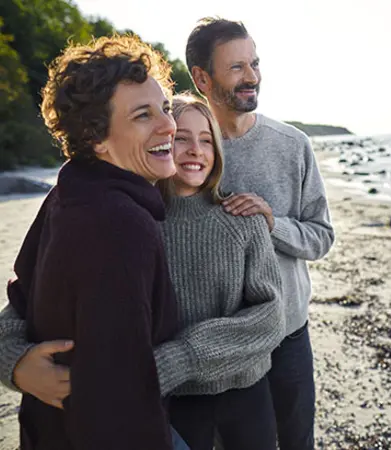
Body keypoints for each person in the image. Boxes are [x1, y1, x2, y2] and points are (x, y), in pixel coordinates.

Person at [2, 35, 181, 449]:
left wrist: (14, 362)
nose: (169, 125)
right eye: (142, 115)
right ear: (97, 137)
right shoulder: (121, 225)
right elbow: (119, 400)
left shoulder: (70, 188)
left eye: (166, 108)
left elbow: (21, 295)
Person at [185, 17, 335, 449]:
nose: (252, 77)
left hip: (288, 336)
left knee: (295, 442)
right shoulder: (185, 152)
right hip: (219, 343)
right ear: (202, 78)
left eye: (254, 63)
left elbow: (321, 236)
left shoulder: (293, 145)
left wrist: (273, 224)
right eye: (236, 68)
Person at [154, 93, 285, 449]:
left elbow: (271, 315)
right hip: (177, 398)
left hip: (246, 389)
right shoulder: (141, 224)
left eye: (206, 140)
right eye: (181, 138)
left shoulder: (242, 219)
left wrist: (182, 356)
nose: (195, 149)